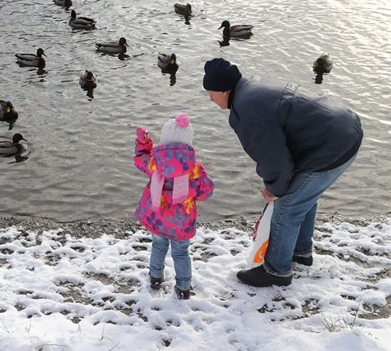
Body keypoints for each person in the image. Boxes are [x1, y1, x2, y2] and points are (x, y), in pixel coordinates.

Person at [202, 58, 363, 287]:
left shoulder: (246, 112)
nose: (210, 98)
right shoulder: (252, 88)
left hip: (332, 145)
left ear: (225, 90)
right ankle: (299, 252)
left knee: (287, 206)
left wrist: (274, 189)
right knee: (301, 196)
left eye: (211, 92)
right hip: (343, 130)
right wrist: (281, 182)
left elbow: (273, 158)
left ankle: (277, 271)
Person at [134, 113, 215, 299]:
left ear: (163, 141)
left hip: (157, 217)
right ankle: (183, 287)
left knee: (158, 245)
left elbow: (140, 159)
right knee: (180, 253)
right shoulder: (195, 168)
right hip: (181, 222)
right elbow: (206, 192)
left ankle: (155, 278)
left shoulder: (155, 162)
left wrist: (143, 143)